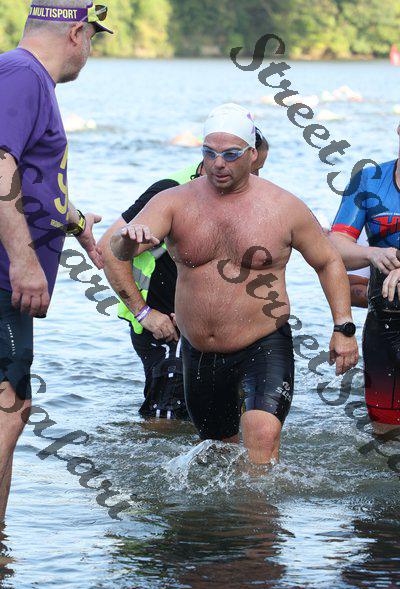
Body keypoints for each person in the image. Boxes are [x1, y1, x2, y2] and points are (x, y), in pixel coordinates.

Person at [106, 103, 358, 464]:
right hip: (198, 351)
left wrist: (343, 327)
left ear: (252, 154)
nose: (218, 163)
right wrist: (128, 242)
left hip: (263, 343)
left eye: (230, 154)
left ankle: (259, 500)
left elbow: (328, 260)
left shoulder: (283, 206)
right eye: (209, 153)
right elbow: (118, 251)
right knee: (218, 453)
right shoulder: (174, 202)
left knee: (261, 438)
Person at [0, 1, 113, 520]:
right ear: (75, 33)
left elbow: (32, 181)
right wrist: (24, 261)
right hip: (5, 276)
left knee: (13, 408)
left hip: (10, 277)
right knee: (9, 410)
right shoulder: (22, 75)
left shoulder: (26, 78)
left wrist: (75, 220)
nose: (91, 50)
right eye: (93, 37)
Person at [100, 129, 269, 420]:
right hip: (163, 323)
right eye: (254, 170)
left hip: (210, 327)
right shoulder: (171, 191)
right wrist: (144, 314)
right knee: (166, 417)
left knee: (213, 416)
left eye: (260, 170)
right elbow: (108, 249)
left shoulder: (240, 199)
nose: (256, 179)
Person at [330, 127, 400, 426]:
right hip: (385, 321)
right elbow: (335, 248)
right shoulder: (368, 180)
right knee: (385, 432)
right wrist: (372, 253)